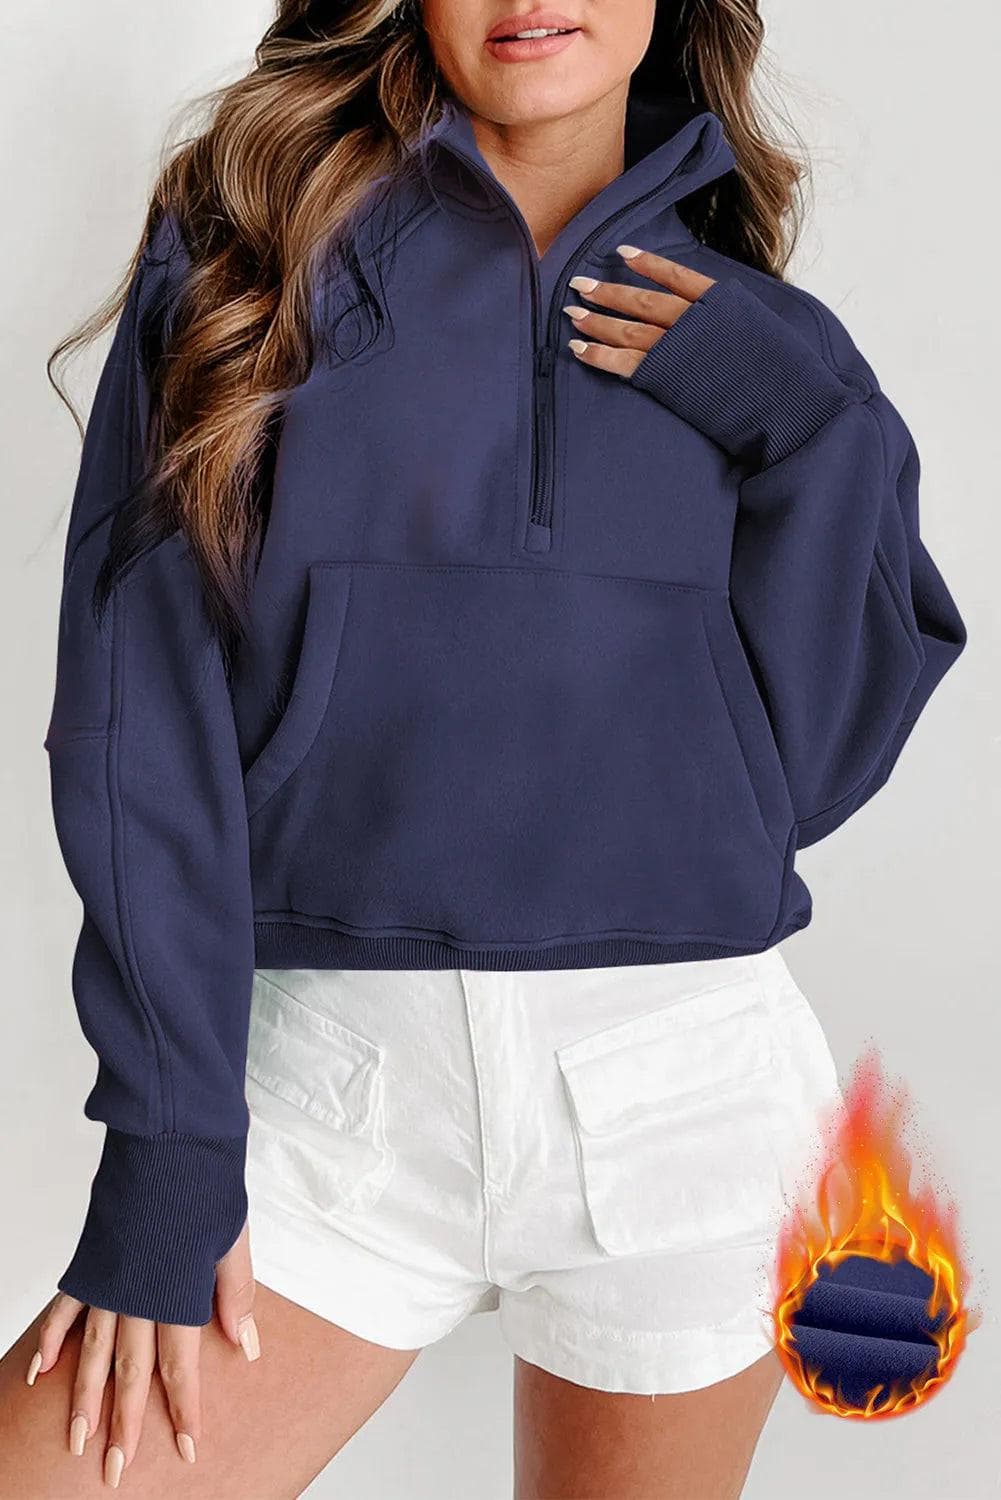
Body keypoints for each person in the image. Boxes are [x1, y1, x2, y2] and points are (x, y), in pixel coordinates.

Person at [0, 0, 967, 1494]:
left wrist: (817, 430)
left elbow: (813, 768)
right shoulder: (250, 266)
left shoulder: (757, 337)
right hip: (326, 1090)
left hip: (685, 1098)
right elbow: (139, 717)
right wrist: (168, 1139)